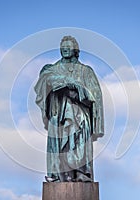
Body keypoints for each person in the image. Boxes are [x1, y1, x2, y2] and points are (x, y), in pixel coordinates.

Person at [34, 36, 104, 182]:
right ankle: (60, 175)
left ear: (75, 50)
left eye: (68, 46)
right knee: (59, 144)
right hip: (58, 113)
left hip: (79, 112)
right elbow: (43, 87)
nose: (65, 49)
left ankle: (81, 173)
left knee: (80, 143)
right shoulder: (51, 69)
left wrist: (78, 90)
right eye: (63, 47)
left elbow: (95, 95)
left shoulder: (86, 71)